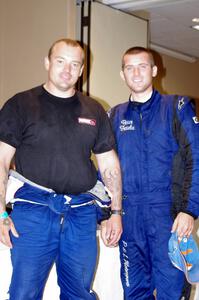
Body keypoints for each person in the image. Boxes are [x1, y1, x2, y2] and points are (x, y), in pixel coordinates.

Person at [0, 38, 122, 300]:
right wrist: (0, 214)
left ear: (81, 71)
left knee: (79, 292)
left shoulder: (94, 110)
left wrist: (116, 212)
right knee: (23, 293)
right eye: (60, 61)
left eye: (74, 64)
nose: (67, 70)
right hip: (33, 210)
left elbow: (109, 164)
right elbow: (1, 160)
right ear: (47, 63)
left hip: (81, 212)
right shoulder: (20, 104)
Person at [108, 46, 199, 299]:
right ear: (122, 74)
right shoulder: (114, 116)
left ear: (155, 70)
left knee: (172, 291)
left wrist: (189, 210)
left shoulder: (176, 107)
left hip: (168, 217)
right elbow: (106, 170)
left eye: (143, 66)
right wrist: (106, 213)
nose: (136, 73)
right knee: (135, 291)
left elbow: (197, 158)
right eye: (129, 67)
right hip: (130, 218)